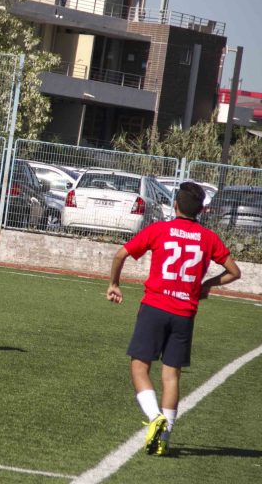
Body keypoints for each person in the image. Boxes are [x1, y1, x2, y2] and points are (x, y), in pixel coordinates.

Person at [107, 182, 241, 456]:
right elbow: (234, 272)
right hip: (184, 313)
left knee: (139, 368)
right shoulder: (207, 238)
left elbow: (121, 254)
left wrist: (114, 284)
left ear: (175, 205)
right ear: (202, 210)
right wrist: (207, 285)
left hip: (155, 307)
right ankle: (163, 439)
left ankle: (154, 416)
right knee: (171, 376)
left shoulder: (159, 230)